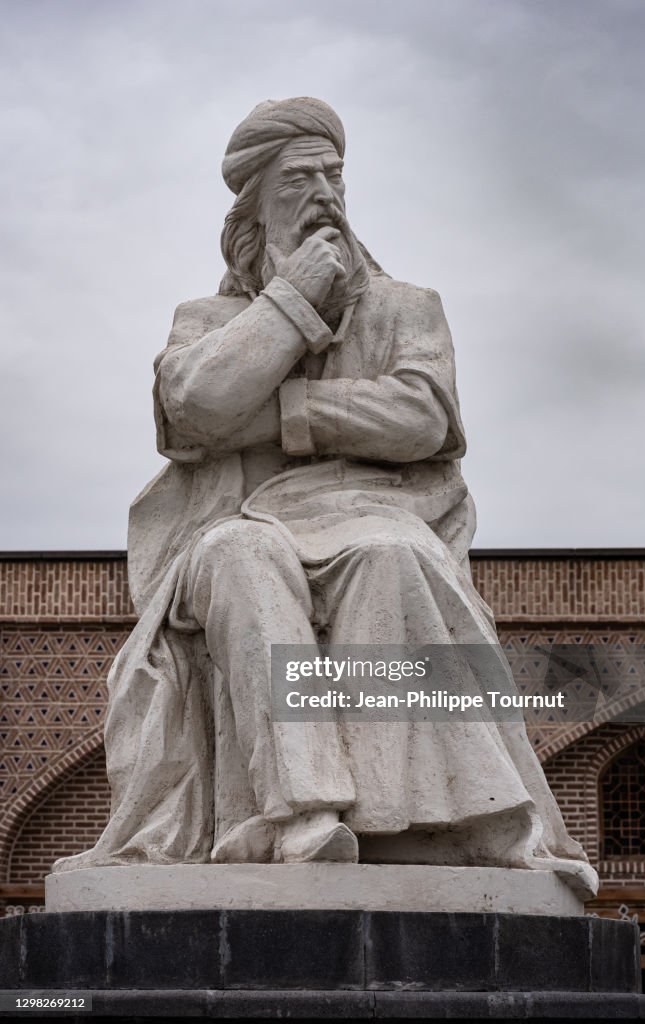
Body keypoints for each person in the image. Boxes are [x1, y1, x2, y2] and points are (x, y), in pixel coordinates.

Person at [54, 97, 596, 895]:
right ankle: (298, 813)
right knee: (242, 557)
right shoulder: (206, 318)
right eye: (300, 177)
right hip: (233, 519)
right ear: (255, 202)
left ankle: (403, 820)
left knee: (390, 557)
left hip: (377, 512)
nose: (323, 192)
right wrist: (292, 304)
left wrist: (281, 415)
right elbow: (197, 406)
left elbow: (422, 417)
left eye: (333, 175)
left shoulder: (406, 307)